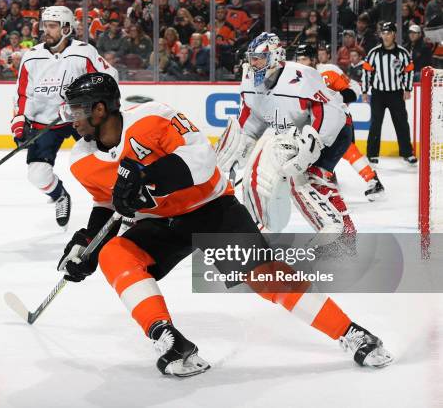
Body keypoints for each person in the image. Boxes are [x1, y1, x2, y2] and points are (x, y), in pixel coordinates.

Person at [57, 71, 393, 377]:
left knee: (266, 278)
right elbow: (106, 204)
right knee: (113, 253)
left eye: (76, 109)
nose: (71, 118)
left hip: (212, 210)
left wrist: (147, 177)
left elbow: (202, 160)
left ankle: (351, 332)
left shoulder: (153, 117)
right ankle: (168, 339)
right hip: (163, 224)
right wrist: (90, 243)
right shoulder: (80, 160)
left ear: (99, 110)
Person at [216, 33, 357, 238]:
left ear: (275, 57)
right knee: (260, 177)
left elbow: (329, 112)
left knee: (308, 179)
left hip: (335, 129)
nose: (253, 63)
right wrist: (239, 146)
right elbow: (251, 119)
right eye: (251, 58)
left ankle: (342, 236)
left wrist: (313, 144)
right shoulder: (249, 81)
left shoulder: (301, 76)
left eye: (259, 58)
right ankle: (264, 227)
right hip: (301, 133)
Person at [11, 6, 118, 228]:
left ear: (67, 28)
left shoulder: (84, 52)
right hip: (44, 121)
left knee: (106, 160)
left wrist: (86, 107)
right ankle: (60, 195)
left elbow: (108, 78)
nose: (46, 31)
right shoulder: (31, 57)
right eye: (45, 26)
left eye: (52, 26)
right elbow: (23, 93)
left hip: (80, 117)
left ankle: (118, 200)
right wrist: (20, 122)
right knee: (37, 174)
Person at [295, 43, 385, 201]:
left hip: (338, 119)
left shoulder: (328, 71)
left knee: (346, 149)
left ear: (313, 59)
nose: (301, 63)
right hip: (313, 122)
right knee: (312, 151)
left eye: (305, 59)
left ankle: (373, 180)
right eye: (299, 59)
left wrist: (336, 98)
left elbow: (354, 87)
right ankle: (327, 180)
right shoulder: (294, 76)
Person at [362, 22, 417, 165]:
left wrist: (407, 89)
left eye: (388, 33)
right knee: (375, 124)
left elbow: (409, 71)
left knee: (401, 124)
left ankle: (407, 153)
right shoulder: (374, 53)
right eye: (383, 33)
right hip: (378, 93)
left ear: (394, 34)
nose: (385, 36)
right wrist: (364, 91)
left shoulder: (403, 53)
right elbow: (366, 72)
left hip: (396, 94)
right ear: (380, 35)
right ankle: (372, 154)